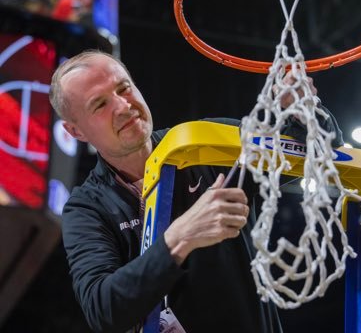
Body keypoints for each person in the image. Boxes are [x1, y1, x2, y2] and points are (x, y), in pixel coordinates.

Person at [49, 50, 344, 333]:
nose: (124, 106)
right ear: (76, 132)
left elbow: (317, 152)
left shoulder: (204, 143)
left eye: (124, 88)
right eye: (99, 104)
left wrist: (304, 111)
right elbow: (103, 309)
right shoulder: (86, 207)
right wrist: (181, 237)